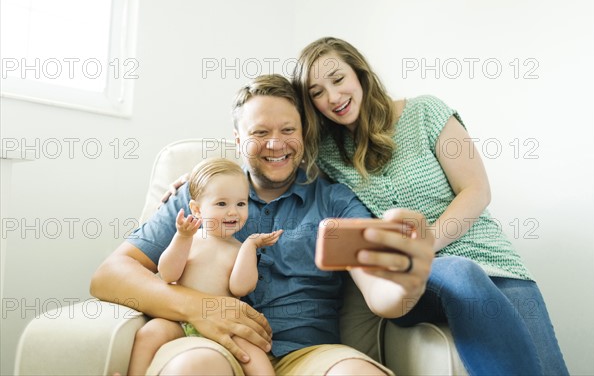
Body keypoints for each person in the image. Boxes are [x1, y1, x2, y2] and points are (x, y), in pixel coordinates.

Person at [90, 74, 435, 376]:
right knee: (195, 369)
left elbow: (379, 294)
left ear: (304, 134)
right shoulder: (201, 194)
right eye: (260, 132)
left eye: (288, 130)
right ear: (238, 141)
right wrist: (199, 307)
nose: (276, 143)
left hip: (309, 354)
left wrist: (407, 283)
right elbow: (109, 276)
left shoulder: (335, 202)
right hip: (209, 345)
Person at [292, 36, 569, 375]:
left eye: (338, 80)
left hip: (495, 262)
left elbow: (476, 190)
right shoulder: (325, 154)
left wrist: (429, 239)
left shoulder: (425, 112)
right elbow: (276, 156)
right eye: (317, 92)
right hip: (413, 280)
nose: (333, 97)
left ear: (359, 74)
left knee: (550, 368)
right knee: (460, 271)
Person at [127, 158, 282, 376]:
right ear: (197, 210)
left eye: (241, 203)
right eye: (221, 204)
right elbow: (168, 274)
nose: (233, 212)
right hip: (180, 320)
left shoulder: (238, 248)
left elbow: (241, 288)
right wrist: (181, 237)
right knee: (149, 334)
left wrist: (250, 245)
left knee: (255, 355)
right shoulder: (189, 239)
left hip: (226, 324)